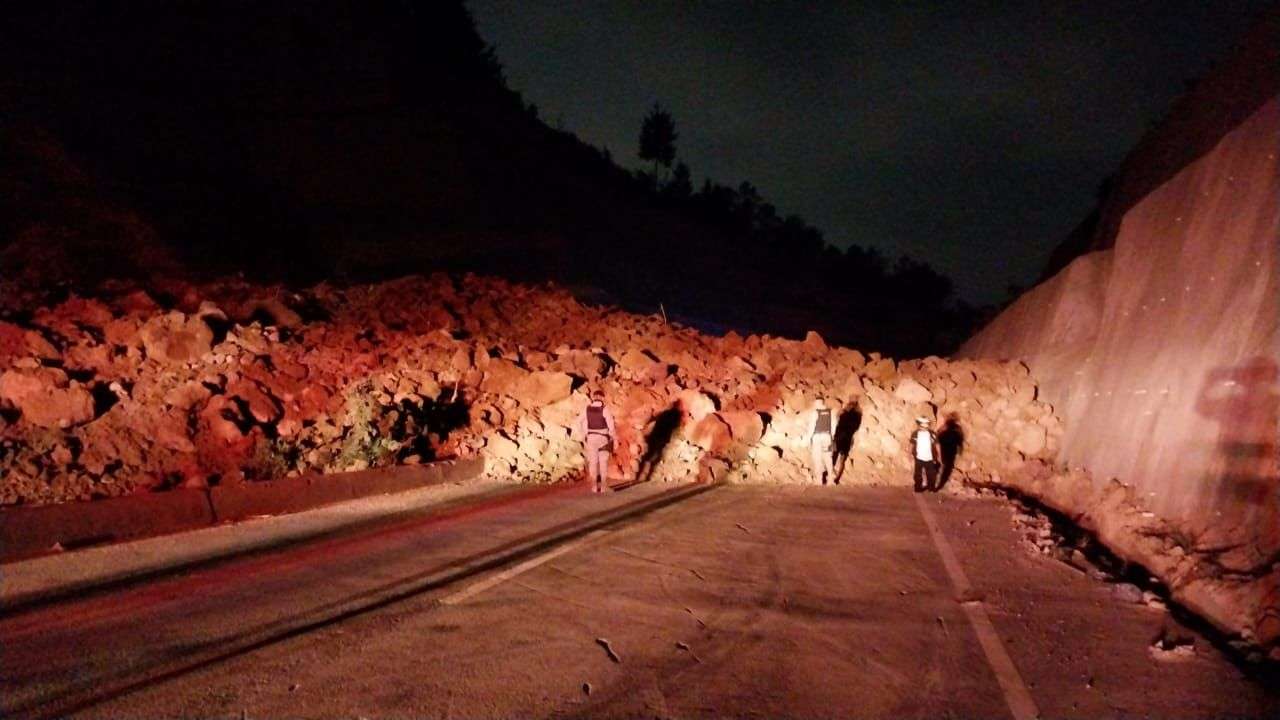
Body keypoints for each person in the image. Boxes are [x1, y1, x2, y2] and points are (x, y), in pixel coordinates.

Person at [579, 390, 617, 493]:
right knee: (603, 462)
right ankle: (604, 486)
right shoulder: (605, 409)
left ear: (593, 397)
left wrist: (584, 434)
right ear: (602, 398)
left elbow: (579, 421)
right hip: (603, 438)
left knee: (593, 462)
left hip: (591, 437)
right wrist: (613, 437)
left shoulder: (587, 409)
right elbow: (611, 425)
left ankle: (594, 486)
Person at [909, 416, 942, 492]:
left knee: (931, 474)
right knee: (918, 474)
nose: (924, 427)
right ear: (919, 425)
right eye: (922, 425)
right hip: (918, 457)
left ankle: (931, 488)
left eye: (926, 424)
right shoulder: (915, 434)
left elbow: (937, 445)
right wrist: (909, 455)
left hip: (930, 458)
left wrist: (939, 456)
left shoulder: (932, 434)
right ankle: (918, 488)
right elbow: (911, 444)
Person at [809, 398, 836, 485]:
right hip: (827, 437)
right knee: (828, 458)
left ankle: (819, 480)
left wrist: (809, 438)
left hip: (817, 437)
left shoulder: (815, 412)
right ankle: (831, 480)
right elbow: (833, 426)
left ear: (818, 403)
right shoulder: (830, 412)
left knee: (817, 458)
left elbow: (812, 426)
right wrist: (831, 436)